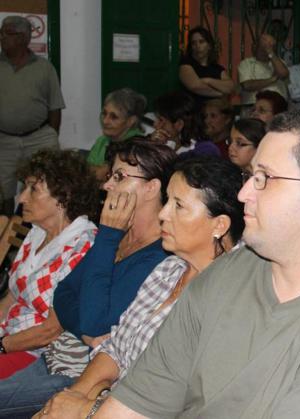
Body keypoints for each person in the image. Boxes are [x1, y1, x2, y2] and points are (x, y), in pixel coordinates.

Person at [84, 110, 300, 418]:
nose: (242, 194)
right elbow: (139, 402)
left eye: (264, 179)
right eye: (249, 177)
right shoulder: (229, 273)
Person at [32, 157, 245, 419]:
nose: (163, 214)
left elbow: (179, 403)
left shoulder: (230, 298)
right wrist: (72, 398)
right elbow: (115, 348)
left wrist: (86, 409)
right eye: (167, 201)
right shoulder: (169, 269)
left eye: (178, 206)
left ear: (219, 225)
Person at [0, 140, 174, 417]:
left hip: (80, 376)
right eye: (110, 176)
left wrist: (108, 235)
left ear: (151, 188)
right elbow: (64, 294)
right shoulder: (116, 238)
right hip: (55, 356)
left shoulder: (158, 255)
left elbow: (94, 324)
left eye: (119, 177)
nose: (107, 185)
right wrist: (86, 329)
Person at [0, 150, 99, 379]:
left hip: (40, 353)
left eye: (33, 189)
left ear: (62, 198)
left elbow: (52, 330)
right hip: (9, 338)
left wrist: (2, 345)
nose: (21, 198)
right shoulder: (36, 231)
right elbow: (11, 297)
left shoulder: (83, 247)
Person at [0, 16, 65, 215]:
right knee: (3, 193)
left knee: (42, 188)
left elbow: (55, 108)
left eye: (5, 33)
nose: (1, 37)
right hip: (4, 140)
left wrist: (51, 137)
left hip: (39, 138)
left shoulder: (44, 68)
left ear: (21, 38)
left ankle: (34, 237)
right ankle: (4, 240)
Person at [86, 88, 147, 181]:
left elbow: (101, 175)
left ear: (131, 121)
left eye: (114, 117)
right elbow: (84, 172)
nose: (105, 121)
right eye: (104, 113)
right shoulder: (102, 141)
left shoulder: (137, 144)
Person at [178, 26, 234, 107]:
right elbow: (195, 86)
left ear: (209, 46)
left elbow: (230, 87)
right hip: (193, 113)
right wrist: (220, 93)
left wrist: (208, 80)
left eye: (201, 42)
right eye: (194, 43)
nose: (197, 46)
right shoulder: (186, 63)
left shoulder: (217, 68)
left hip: (215, 114)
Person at [149, 91, 217, 156]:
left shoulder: (204, 151)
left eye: (161, 120)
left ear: (179, 125)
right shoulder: (159, 143)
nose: (155, 124)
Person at [238, 33, 289, 112]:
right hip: (254, 108)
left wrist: (270, 52)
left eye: (271, 46)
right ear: (255, 47)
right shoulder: (246, 63)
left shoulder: (279, 62)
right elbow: (247, 85)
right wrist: (272, 79)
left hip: (278, 107)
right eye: (264, 46)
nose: (265, 49)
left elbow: (283, 74)